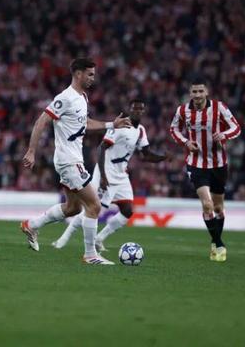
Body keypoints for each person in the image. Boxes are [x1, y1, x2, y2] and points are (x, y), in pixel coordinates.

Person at [21, 57, 132, 265]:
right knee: (94, 205)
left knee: (73, 208)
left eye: (94, 74)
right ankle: (90, 255)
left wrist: (111, 125)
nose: (93, 78)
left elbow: (85, 123)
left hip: (72, 159)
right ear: (78, 74)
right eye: (90, 74)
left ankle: (31, 225)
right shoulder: (65, 97)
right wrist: (31, 151)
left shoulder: (82, 97)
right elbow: (41, 121)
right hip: (68, 161)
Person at [52, 99, 170, 251]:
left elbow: (146, 154)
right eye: (135, 108)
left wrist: (163, 157)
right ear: (130, 109)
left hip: (121, 175)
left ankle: (99, 239)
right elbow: (101, 148)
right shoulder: (120, 126)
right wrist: (103, 176)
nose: (137, 111)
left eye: (140, 109)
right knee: (93, 208)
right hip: (106, 172)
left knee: (127, 211)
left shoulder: (140, 130)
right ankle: (63, 238)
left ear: (143, 111)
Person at [169, 76, 241, 262]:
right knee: (207, 205)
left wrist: (224, 135)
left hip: (219, 164)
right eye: (194, 91)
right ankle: (219, 244)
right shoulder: (183, 110)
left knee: (218, 207)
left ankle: (215, 241)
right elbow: (173, 129)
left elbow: (236, 127)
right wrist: (186, 142)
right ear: (190, 93)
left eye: (201, 91)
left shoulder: (219, 107)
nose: (198, 95)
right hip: (196, 163)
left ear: (207, 92)